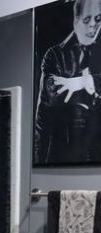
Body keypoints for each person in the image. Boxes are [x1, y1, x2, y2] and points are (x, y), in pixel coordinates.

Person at [34, 0, 101, 165]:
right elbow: (44, 115)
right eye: (87, 19)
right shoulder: (56, 55)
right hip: (65, 151)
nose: (93, 25)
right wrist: (38, 160)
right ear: (76, 21)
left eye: (98, 19)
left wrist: (86, 81)